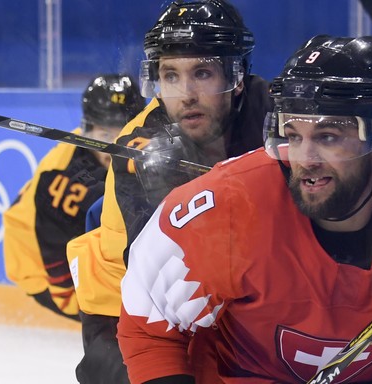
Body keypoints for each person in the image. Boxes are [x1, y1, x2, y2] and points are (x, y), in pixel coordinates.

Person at [117, 35, 372, 383]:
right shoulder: (221, 209)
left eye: (330, 136)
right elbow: (148, 326)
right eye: (293, 134)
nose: (306, 157)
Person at [65, 1, 272, 383]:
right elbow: (160, 279)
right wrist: (169, 192)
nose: (185, 93)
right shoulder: (138, 145)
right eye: (170, 76)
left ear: (237, 76)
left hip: (222, 296)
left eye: (203, 73)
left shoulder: (274, 118)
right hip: (126, 308)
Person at [2, 73, 145, 321]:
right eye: (103, 135)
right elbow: (54, 247)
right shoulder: (62, 177)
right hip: (35, 265)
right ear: (88, 128)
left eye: (122, 132)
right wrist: (87, 311)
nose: (112, 146)